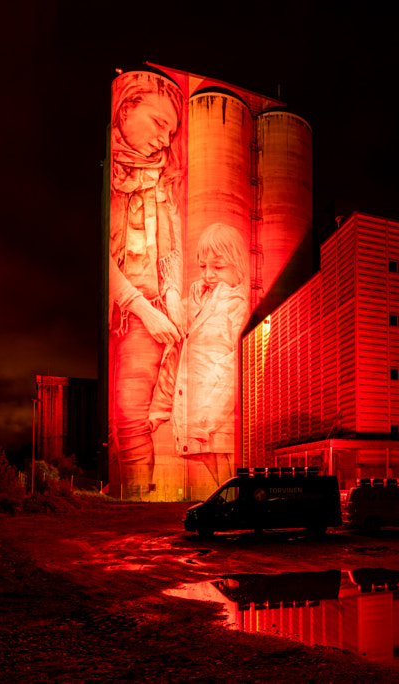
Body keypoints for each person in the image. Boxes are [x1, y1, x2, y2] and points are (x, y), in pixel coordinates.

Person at [108, 71, 185, 495]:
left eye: (171, 132)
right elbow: (105, 257)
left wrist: (170, 305)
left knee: (132, 413)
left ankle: (138, 501)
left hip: (154, 307)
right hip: (130, 307)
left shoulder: (164, 182)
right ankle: (130, 496)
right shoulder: (113, 176)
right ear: (126, 108)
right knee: (122, 412)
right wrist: (140, 307)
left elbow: (169, 253)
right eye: (158, 124)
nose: (164, 140)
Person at [150, 222, 250, 491]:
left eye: (218, 267)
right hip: (192, 423)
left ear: (238, 266)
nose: (209, 274)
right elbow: (175, 355)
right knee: (218, 488)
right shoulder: (194, 300)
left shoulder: (237, 308)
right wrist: (159, 409)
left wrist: (207, 421)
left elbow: (233, 373)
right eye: (203, 266)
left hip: (219, 425)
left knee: (230, 483)